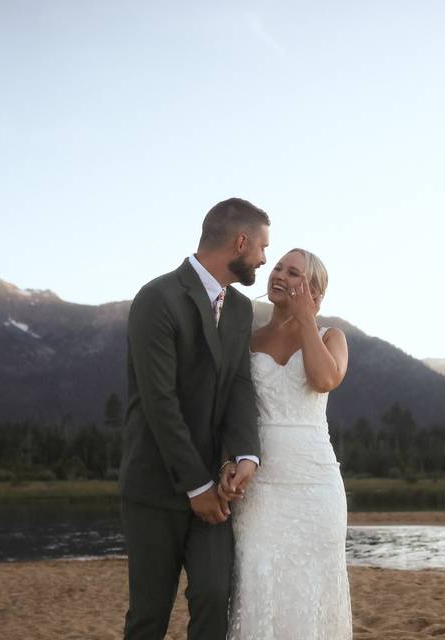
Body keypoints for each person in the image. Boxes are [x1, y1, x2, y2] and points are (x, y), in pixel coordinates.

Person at [118, 197, 269, 640]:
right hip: (154, 487)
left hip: (215, 492)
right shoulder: (157, 298)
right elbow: (158, 402)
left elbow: (240, 385)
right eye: (262, 246)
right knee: (149, 615)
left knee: (213, 595)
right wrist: (196, 486)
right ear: (240, 242)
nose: (263, 258)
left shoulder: (240, 310)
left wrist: (246, 455)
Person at [223, 248, 353, 639]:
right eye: (277, 267)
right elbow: (232, 407)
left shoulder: (332, 335)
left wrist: (306, 321)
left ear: (313, 290)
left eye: (293, 272)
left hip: (315, 484)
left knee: (313, 584)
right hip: (260, 483)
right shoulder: (246, 339)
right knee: (256, 577)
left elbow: (324, 379)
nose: (279, 274)